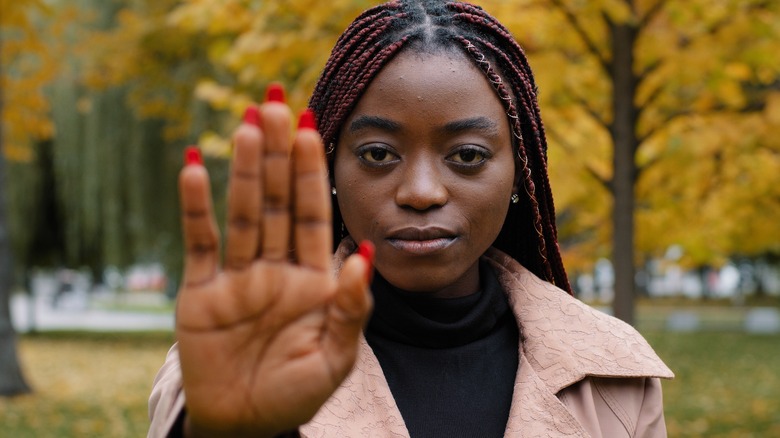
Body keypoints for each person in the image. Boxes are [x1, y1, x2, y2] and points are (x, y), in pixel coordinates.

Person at [149, 1, 673, 437]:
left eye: (467, 155)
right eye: (378, 154)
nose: (421, 192)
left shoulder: (613, 373)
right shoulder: (232, 364)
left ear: (520, 174)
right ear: (331, 167)